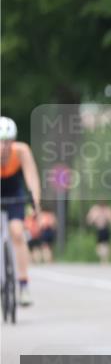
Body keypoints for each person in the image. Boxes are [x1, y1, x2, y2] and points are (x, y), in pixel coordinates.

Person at [0, 117, 41, 305]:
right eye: (1, 141)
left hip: (14, 190)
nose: (4, 146)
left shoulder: (22, 151)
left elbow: (31, 177)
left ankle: (23, 285)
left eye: (8, 141)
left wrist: (35, 202)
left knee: (17, 232)